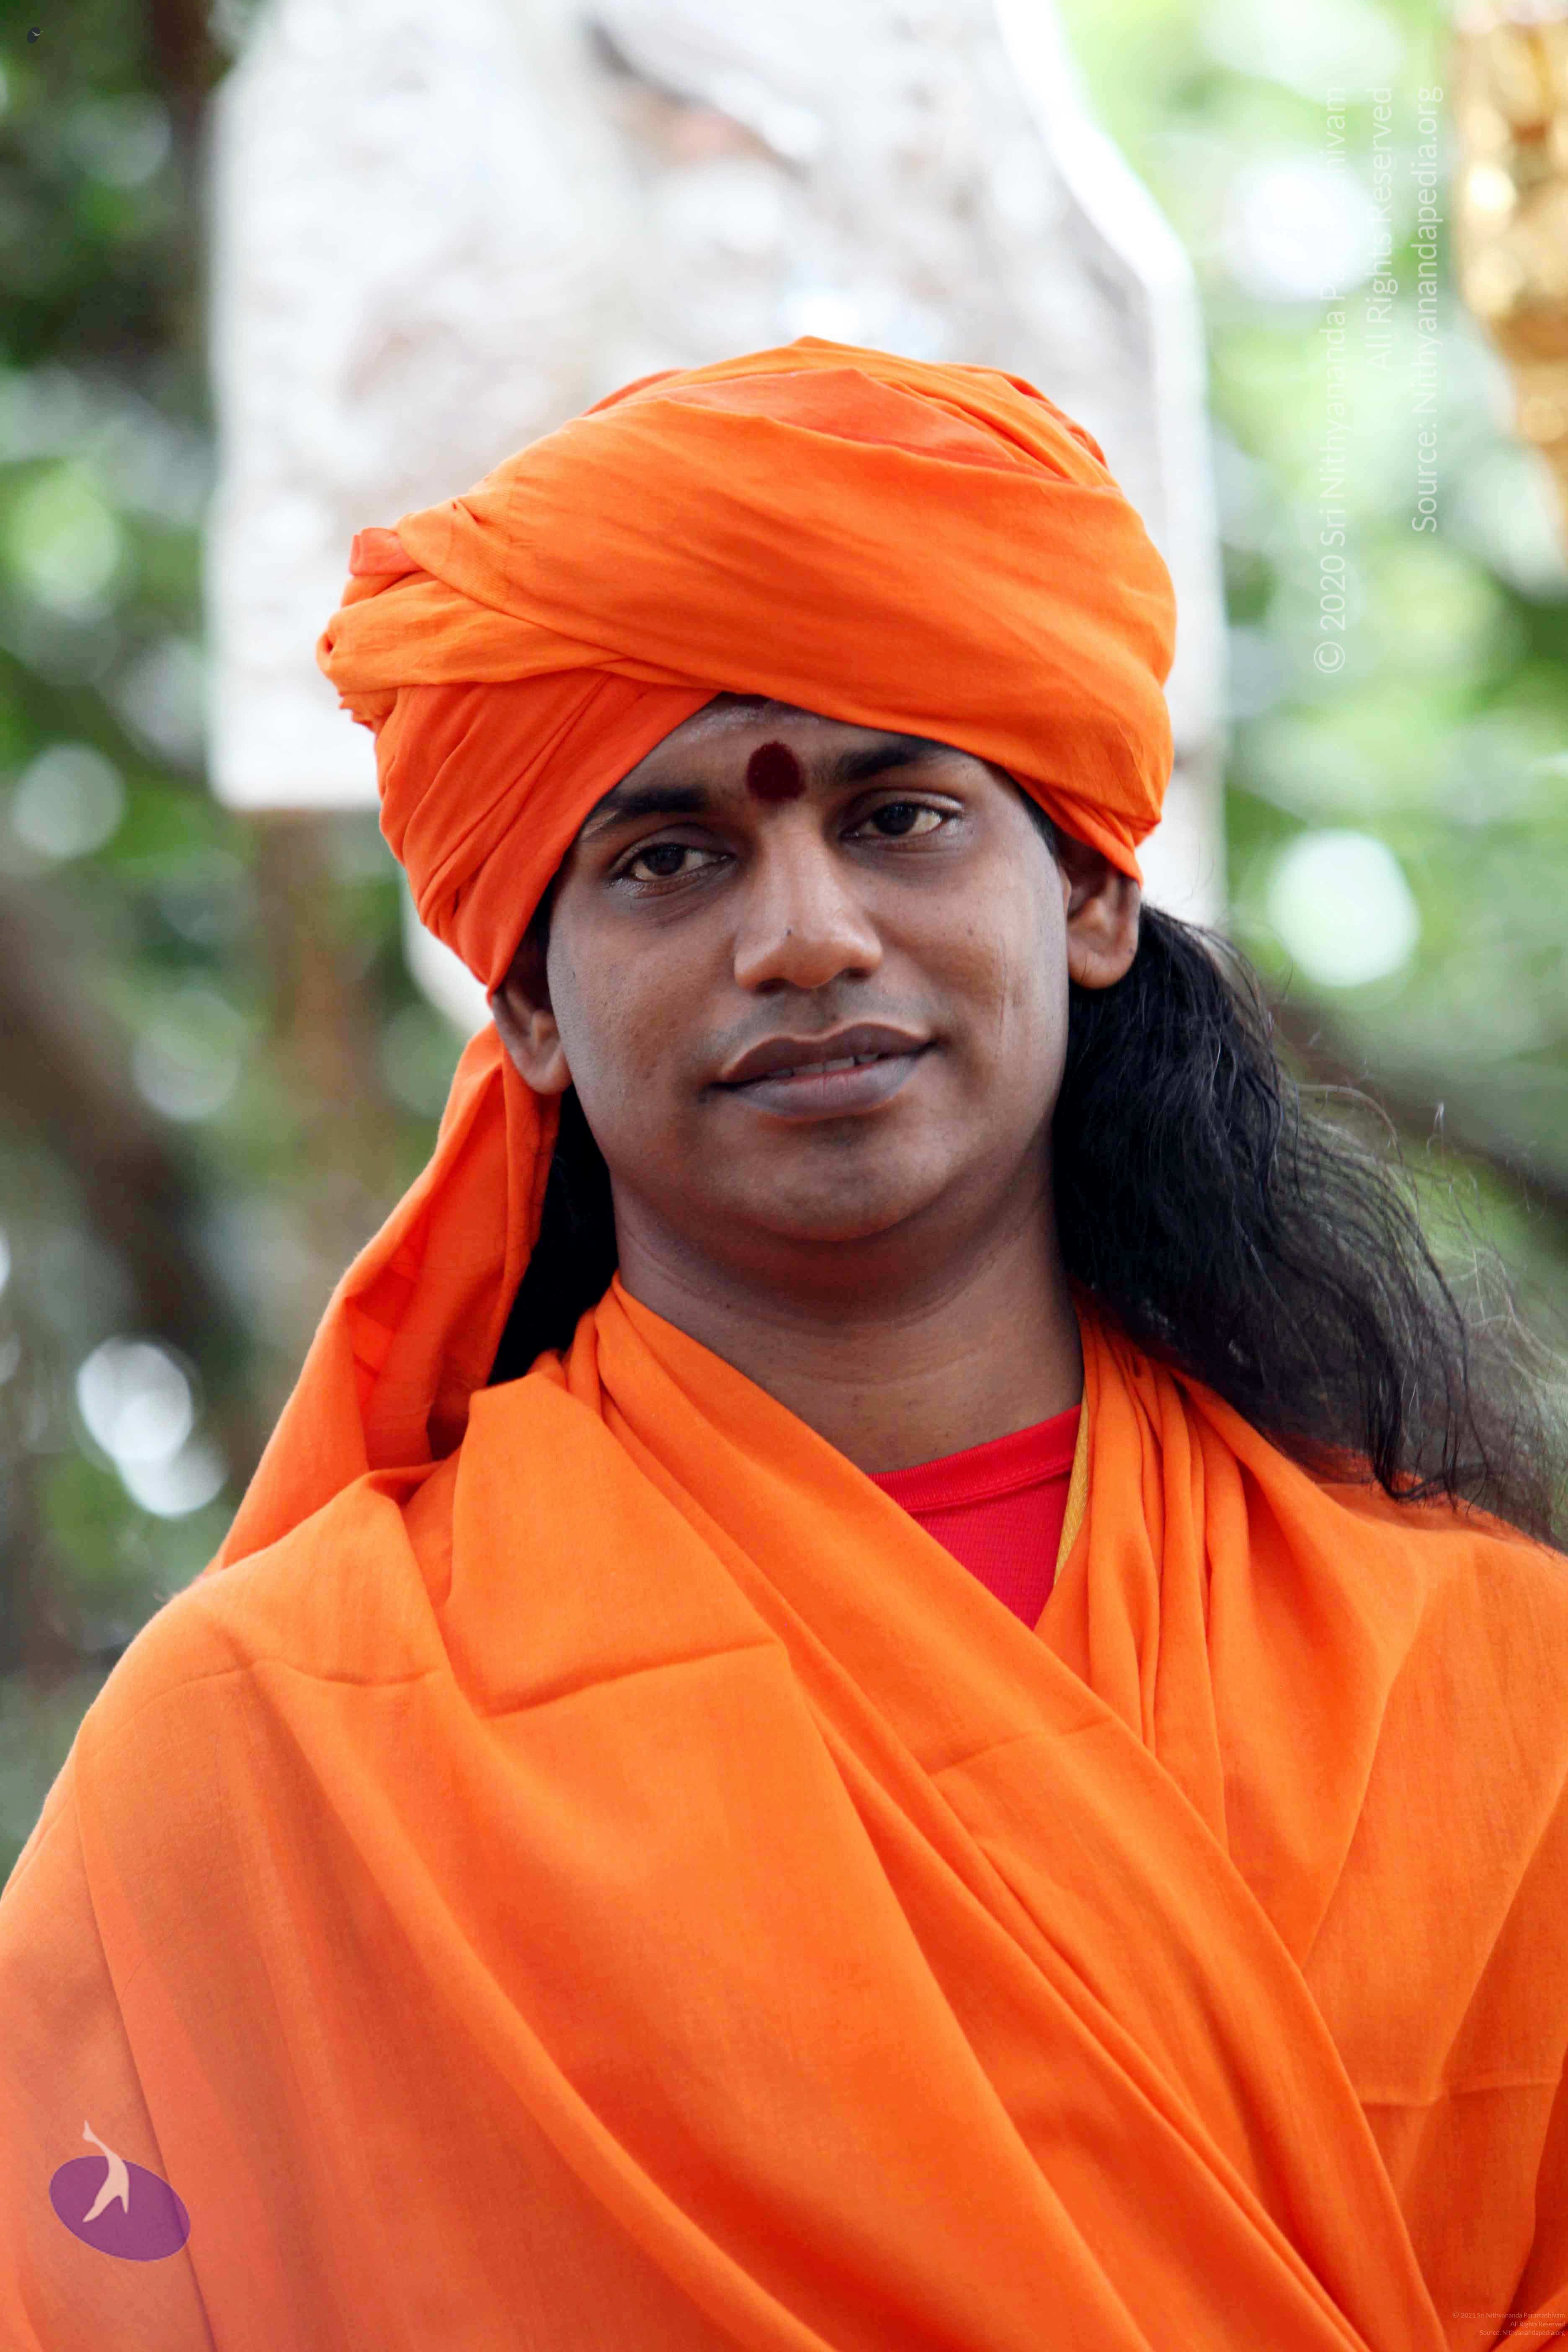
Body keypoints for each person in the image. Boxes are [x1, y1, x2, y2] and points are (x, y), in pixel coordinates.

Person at [2, 339, 1566, 2351]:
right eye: (667, 858)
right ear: (532, 1009)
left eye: (900, 816)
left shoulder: (1500, 1685)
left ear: (1092, 897)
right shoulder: (271, 1747)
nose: (806, 935)